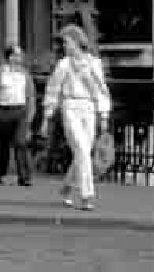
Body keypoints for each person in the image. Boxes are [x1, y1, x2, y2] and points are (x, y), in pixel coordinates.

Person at [39, 24, 111, 211]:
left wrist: (103, 114)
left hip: (88, 108)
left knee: (83, 152)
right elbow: (53, 89)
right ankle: (87, 195)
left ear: (78, 42)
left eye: (67, 42)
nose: (65, 46)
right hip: (70, 107)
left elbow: (101, 89)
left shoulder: (94, 63)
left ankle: (67, 187)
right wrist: (48, 115)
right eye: (64, 42)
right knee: (81, 148)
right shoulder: (64, 64)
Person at [0, 44, 36, 186]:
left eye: (20, 55)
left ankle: (24, 177)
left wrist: (30, 115)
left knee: (21, 143)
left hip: (20, 111)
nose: (18, 58)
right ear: (9, 57)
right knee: (1, 146)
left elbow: (31, 96)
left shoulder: (25, 74)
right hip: (2, 111)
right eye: (15, 55)